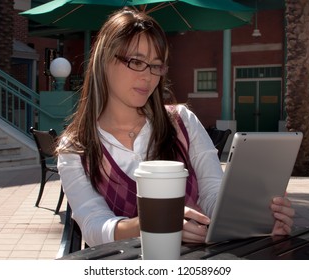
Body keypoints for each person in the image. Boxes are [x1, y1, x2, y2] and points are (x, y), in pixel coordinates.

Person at [57, 8, 295, 247]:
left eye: (156, 65)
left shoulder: (182, 121)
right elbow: (94, 226)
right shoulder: (76, 148)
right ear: (105, 60)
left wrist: (253, 219)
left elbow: (213, 192)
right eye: (137, 61)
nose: (148, 76)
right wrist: (156, 223)